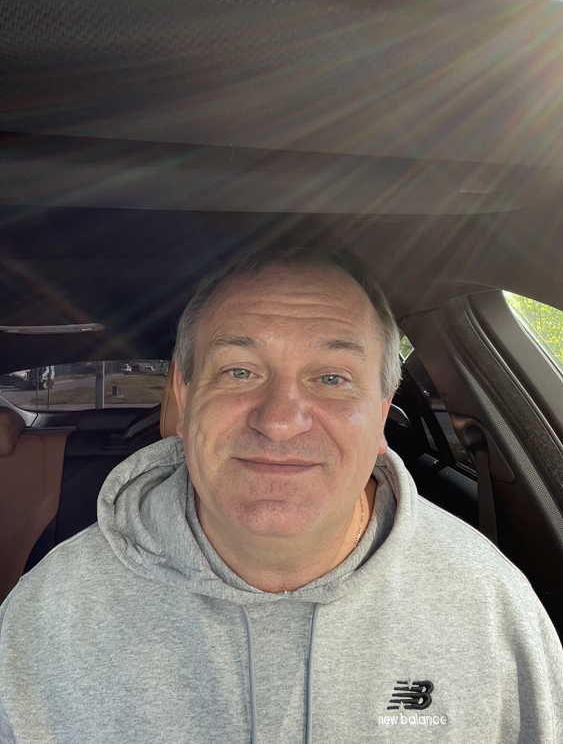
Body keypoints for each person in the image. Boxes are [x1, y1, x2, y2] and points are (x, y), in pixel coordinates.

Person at [0, 245, 562, 744]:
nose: (280, 421)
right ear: (184, 397)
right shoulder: (47, 617)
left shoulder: (491, 609)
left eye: (332, 378)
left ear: (383, 410)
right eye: (240, 372)